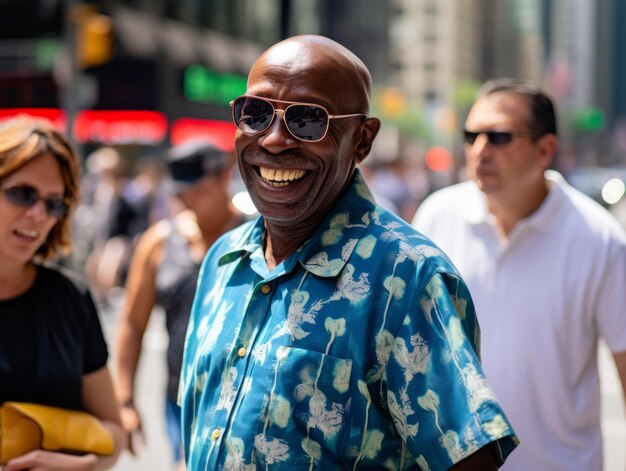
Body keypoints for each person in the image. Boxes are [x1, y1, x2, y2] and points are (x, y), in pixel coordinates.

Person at [179, 35, 518, 470]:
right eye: (256, 114)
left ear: (362, 139)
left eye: (307, 121)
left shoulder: (406, 279)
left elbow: (468, 457)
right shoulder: (224, 260)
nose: (275, 140)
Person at [412, 78, 626, 471]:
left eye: (499, 137)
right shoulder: (436, 218)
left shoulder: (601, 240)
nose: (479, 150)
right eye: (471, 135)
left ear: (546, 149)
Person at [0, 116, 125, 470]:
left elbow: (114, 433)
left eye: (54, 203)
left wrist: (85, 467)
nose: (38, 214)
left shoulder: (70, 295)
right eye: (22, 193)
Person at [114, 140, 246, 470]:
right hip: (180, 397)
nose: (188, 202)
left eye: (197, 191)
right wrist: (125, 399)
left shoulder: (255, 237)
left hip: (241, 394)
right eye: (180, 194)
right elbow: (132, 322)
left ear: (223, 179)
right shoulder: (159, 242)